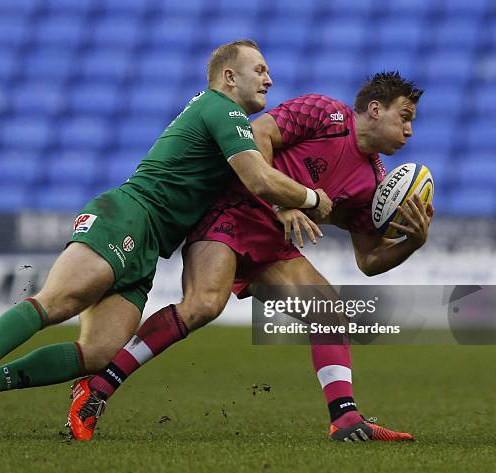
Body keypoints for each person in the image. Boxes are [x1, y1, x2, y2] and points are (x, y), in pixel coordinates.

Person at [0, 40, 334, 439]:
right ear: (229, 77)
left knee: (102, 352)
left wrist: (284, 206)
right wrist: (311, 197)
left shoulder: (227, 119)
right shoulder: (221, 107)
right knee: (60, 301)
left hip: (150, 245)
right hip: (128, 215)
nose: (269, 78)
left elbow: (255, 182)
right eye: (259, 70)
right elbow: (259, 178)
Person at [68, 72, 433, 442]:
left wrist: (411, 243)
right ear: (374, 109)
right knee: (204, 305)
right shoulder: (325, 113)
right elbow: (258, 135)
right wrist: (283, 201)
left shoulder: (372, 181)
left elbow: (368, 261)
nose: (409, 131)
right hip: (231, 210)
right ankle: (96, 388)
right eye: (404, 117)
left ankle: (345, 419)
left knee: (328, 312)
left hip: (272, 243)